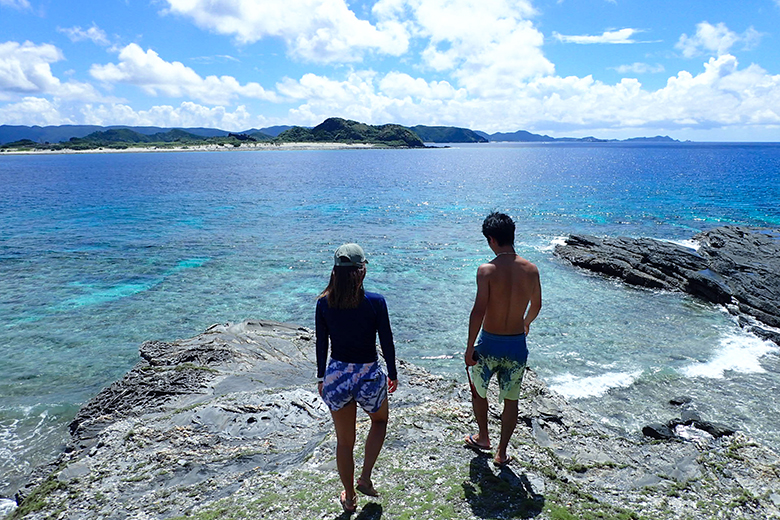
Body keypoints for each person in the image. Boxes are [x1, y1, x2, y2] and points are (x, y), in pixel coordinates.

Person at [316, 243, 399, 514]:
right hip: (368, 376)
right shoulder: (375, 302)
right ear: (361, 271)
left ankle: (349, 497)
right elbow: (386, 341)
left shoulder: (323, 303)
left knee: (344, 441)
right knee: (380, 421)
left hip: (337, 375)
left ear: (335, 272)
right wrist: (394, 374)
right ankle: (365, 477)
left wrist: (320, 377)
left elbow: (321, 344)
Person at [464, 212, 542, 466]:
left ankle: (483, 437)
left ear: (492, 239)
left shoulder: (486, 270)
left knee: (479, 391)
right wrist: (526, 323)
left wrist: (469, 347)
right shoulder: (531, 270)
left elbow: (479, 310)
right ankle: (501, 452)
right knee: (511, 398)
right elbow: (537, 305)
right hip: (516, 344)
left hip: (489, 343)